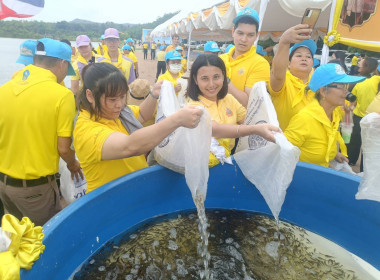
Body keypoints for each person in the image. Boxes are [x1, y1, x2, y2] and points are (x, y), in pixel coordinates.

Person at [73, 63, 203, 192]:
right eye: (112, 99)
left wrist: (153, 95)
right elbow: (129, 146)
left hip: (134, 188)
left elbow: (141, 114)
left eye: (123, 96)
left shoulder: (117, 113)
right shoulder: (85, 130)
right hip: (110, 198)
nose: (119, 104)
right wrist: (177, 120)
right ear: (90, 96)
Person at [0, 38, 82, 226]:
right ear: (62, 64)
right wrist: (73, 164)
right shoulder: (62, 95)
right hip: (35, 190)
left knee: (19, 240)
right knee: (47, 241)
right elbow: (63, 148)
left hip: (4, 186)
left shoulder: (5, 88)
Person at [186, 54, 280, 167]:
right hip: (202, 166)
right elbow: (215, 129)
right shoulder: (192, 106)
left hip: (226, 161)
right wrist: (254, 129)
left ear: (224, 77)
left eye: (216, 77)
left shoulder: (229, 99)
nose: (211, 84)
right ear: (195, 80)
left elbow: (247, 120)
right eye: (204, 78)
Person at [284, 63, 365, 167]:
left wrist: (334, 153)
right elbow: (283, 154)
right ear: (323, 91)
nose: (346, 91)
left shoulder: (334, 114)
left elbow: (346, 136)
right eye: (341, 86)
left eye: (346, 86)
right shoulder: (304, 119)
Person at [269, 24, 317, 131]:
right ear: (288, 64)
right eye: (299, 55)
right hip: (287, 144)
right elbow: (277, 74)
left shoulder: (318, 86)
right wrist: (284, 41)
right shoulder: (284, 82)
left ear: (313, 63)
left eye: (308, 56)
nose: (304, 58)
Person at [219, 7, 270, 107]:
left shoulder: (260, 64)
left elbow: (250, 104)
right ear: (233, 32)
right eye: (240, 33)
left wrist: (225, 80)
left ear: (256, 36)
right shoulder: (221, 59)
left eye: (250, 35)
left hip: (240, 121)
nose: (244, 39)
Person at [348, 58, 379, 168]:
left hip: (358, 116)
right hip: (374, 119)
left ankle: (350, 161)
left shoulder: (359, 82)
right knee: (369, 145)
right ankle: (363, 168)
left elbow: (352, 102)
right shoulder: (377, 81)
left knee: (355, 141)